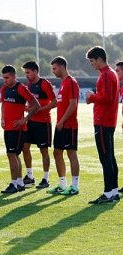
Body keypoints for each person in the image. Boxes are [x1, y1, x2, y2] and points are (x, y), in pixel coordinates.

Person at [85, 46, 120, 204]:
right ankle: (113, 191)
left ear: (100, 59)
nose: (91, 64)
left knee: (105, 158)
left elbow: (106, 98)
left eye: (92, 61)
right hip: (108, 121)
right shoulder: (110, 73)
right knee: (110, 157)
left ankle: (108, 194)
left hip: (102, 121)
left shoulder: (106, 74)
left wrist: (92, 97)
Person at [0, 65, 40, 194]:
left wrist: (25, 119)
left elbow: (36, 104)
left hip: (18, 128)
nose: (5, 80)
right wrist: (2, 118)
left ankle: (14, 183)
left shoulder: (21, 88)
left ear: (14, 76)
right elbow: (3, 104)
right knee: (12, 155)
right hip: (8, 127)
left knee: (13, 154)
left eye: (7, 78)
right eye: (3, 78)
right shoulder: (4, 88)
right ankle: (19, 183)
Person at [47, 56, 80, 196]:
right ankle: (62, 184)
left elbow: (73, 104)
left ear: (61, 67)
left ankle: (74, 186)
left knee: (71, 153)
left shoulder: (71, 82)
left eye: (54, 69)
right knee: (57, 152)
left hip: (69, 126)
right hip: (60, 125)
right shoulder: (63, 83)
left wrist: (62, 121)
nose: (53, 71)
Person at [21, 61, 57, 189]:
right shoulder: (29, 84)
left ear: (35, 71)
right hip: (31, 122)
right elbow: (32, 102)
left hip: (43, 122)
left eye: (28, 72)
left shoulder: (45, 84)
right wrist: (29, 107)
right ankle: (30, 176)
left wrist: (38, 109)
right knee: (25, 147)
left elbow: (54, 102)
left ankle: (45, 179)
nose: (26, 75)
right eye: (25, 73)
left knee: (44, 151)